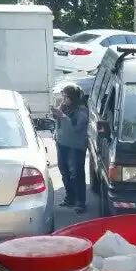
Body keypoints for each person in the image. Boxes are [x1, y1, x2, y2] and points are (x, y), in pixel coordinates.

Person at [52, 83, 88, 214]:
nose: (64, 100)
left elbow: (75, 127)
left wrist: (62, 115)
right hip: (62, 144)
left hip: (75, 146)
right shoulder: (65, 108)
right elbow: (59, 122)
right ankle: (70, 197)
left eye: (66, 97)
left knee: (76, 174)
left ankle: (80, 202)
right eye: (63, 97)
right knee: (64, 172)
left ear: (73, 97)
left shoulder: (81, 111)